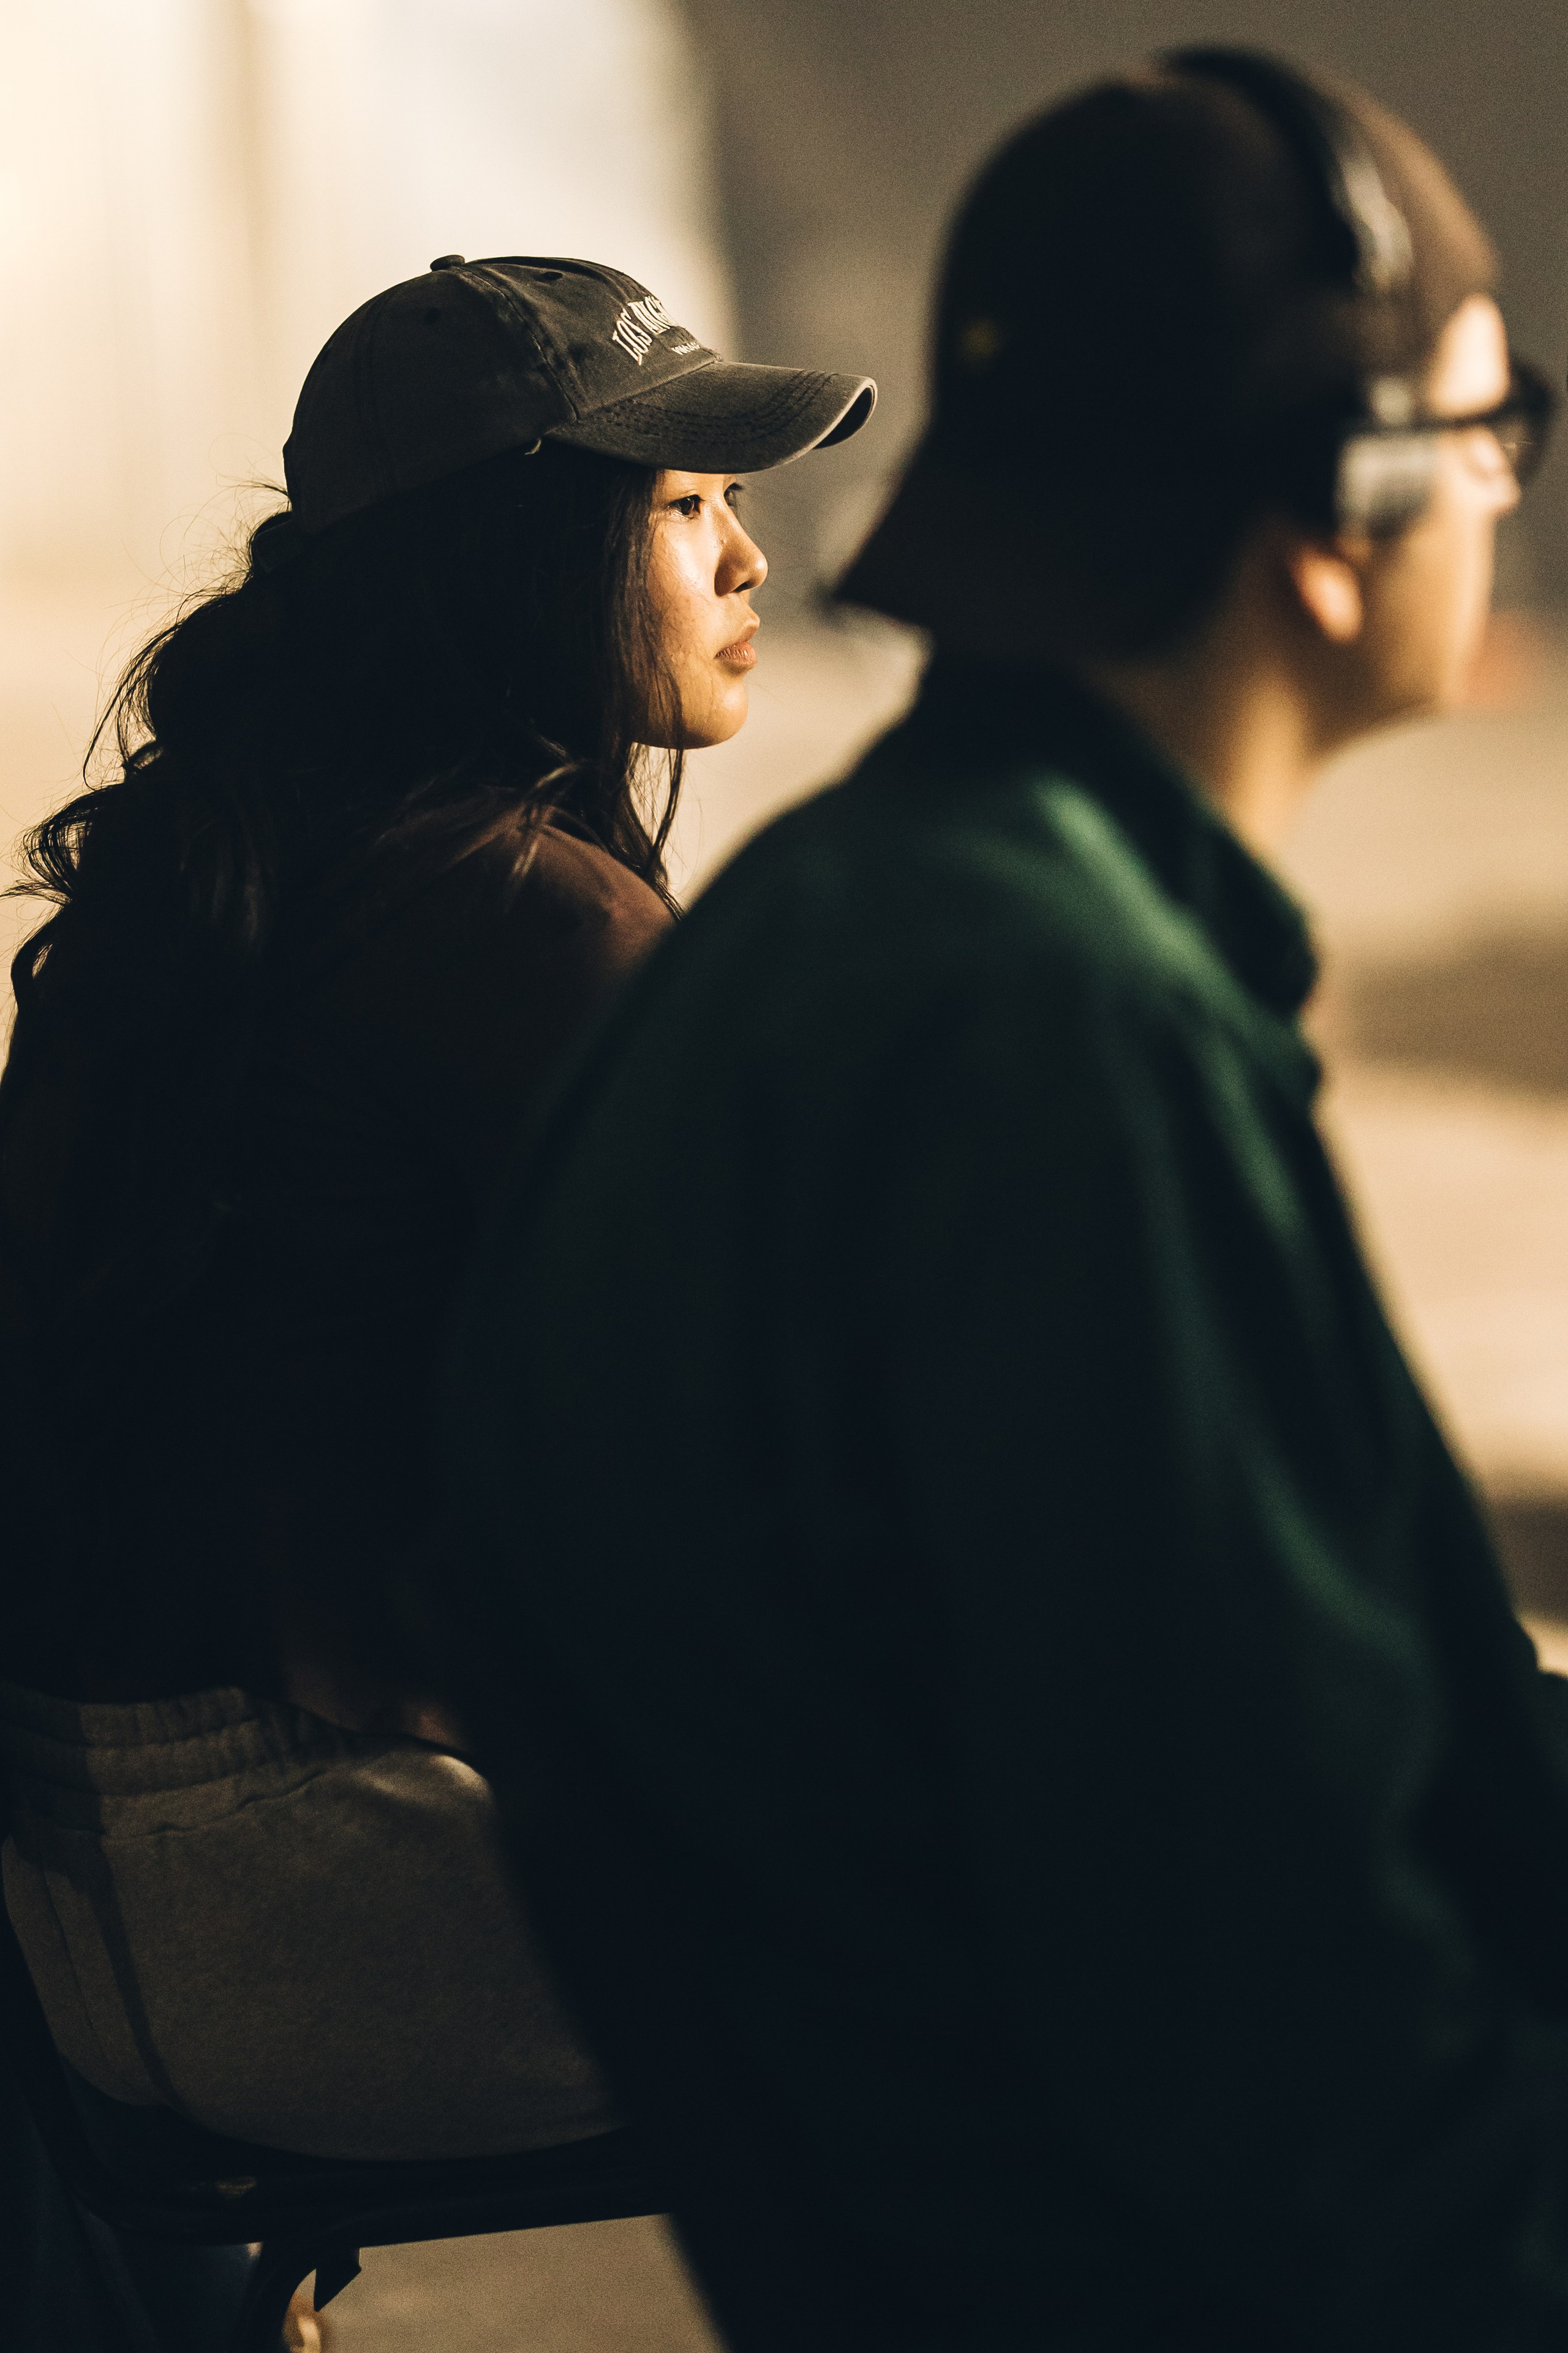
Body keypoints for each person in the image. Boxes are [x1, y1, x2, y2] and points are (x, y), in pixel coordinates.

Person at [435, 52, 1568, 2352]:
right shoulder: (1044, 1041)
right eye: (1491, 423)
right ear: (1339, 516)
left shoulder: (889, 926)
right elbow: (1293, 2040)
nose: (1511, 487)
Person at [0, 245, 873, 2200]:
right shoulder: (516, 913)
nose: (749, 563)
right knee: (1173, 1909)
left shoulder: (226, 859)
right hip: (323, 1890)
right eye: (682, 509)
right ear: (515, 558)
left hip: (96, 1895)